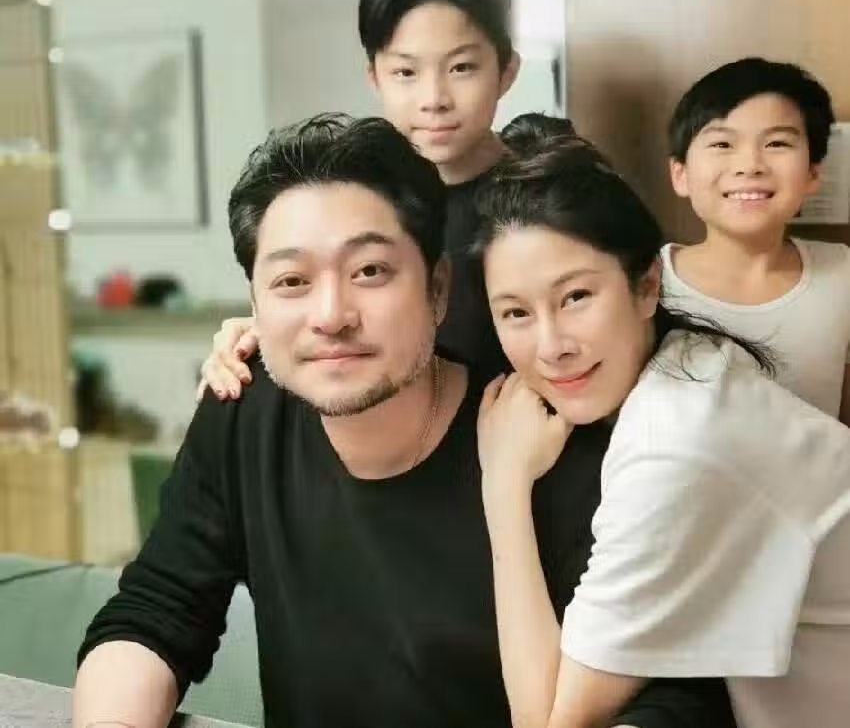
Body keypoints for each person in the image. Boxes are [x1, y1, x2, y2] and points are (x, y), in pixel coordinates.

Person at [73, 116, 734, 728]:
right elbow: (157, 609)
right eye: (292, 281)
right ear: (254, 303)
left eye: (370, 271)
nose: (331, 315)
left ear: (438, 290)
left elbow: (676, 698)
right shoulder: (244, 408)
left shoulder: (547, 442)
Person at [472, 135, 850, 728]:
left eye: (576, 297)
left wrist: (502, 484)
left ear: (647, 286)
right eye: (516, 312)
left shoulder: (675, 444)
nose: (551, 346)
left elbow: (549, 720)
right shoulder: (689, 363)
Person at [197, 0, 576, 394]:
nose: (434, 99)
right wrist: (266, 333)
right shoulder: (359, 204)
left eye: (461, 67)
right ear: (375, 77)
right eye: (405, 73)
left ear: (507, 70)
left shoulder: (551, 202)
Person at [663, 57, 850, 421]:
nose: (749, 165)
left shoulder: (842, 273)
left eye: (777, 143)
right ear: (680, 173)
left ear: (813, 173)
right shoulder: (646, 285)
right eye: (722, 144)